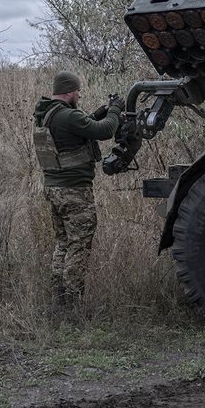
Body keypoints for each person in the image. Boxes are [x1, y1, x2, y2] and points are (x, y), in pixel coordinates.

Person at [32, 71, 123, 316]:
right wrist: (114, 111)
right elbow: (104, 131)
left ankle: (59, 299)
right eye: (78, 91)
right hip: (74, 191)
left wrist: (97, 113)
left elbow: (78, 130)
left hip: (54, 189)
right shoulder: (67, 116)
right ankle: (73, 303)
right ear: (70, 91)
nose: (80, 95)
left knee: (63, 242)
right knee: (79, 245)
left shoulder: (47, 114)